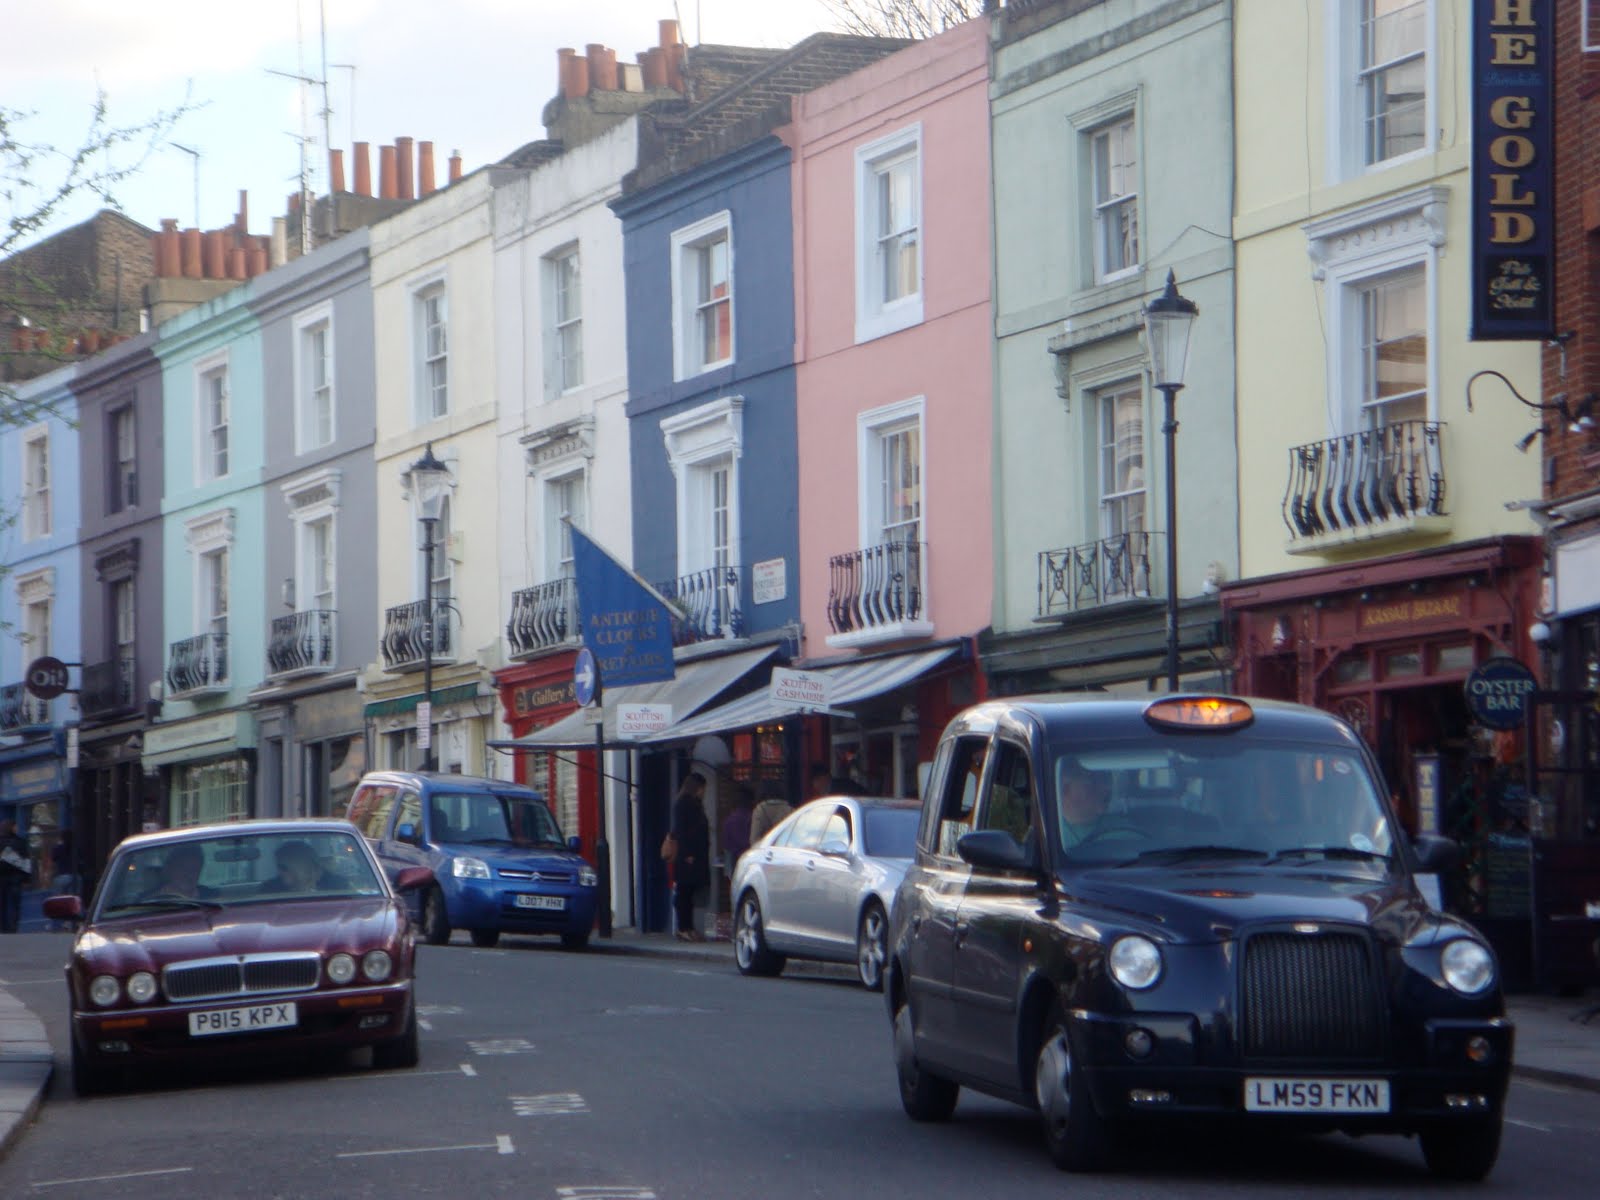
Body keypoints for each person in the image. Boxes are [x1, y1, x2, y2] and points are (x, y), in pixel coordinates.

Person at [670, 772, 711, 941]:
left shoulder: (695, 804)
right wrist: (687, 854)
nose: (704, 792)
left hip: (696, 855)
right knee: (684, 892)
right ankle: (683, 927)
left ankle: (689, 927)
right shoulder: (683, 804)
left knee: (690, 892)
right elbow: (682, 831)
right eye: (702, 788)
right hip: (688, 856)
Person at [141, 842, 217, 900]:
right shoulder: (149, 900)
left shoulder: (211, 898)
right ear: (170, 869)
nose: (188, 875)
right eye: (183, 868)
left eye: (194, 870)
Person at [259, 840, 341, 894]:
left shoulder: (337, 885)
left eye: (284, 867)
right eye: (280, 867)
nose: (280, 872)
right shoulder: (269, 890)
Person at [1058, 765, 1110, 848]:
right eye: (1092, 782)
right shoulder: (1047, 832)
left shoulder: (1126, 830)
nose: (1107, 787)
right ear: (1065, 789)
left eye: (1106, 779)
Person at [0, 818, 30, 933]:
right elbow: (26, 861)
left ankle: (3, 927)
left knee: (2, 904)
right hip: (15, 877)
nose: (17, 828)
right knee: (14, 904)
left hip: (2, 877)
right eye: (15, 826)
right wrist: (27, 878)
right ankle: (13, 927)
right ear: (11, 828)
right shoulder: (20, 842)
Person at [721, 786, 755, 872]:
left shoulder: (729, 820)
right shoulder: (754, 818)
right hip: (751, 860)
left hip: (735, 861)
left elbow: (727, 846)